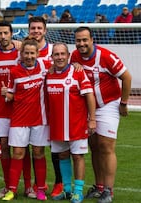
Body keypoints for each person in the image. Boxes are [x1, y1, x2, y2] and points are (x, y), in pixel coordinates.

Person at [70, 26, 132, 203]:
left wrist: (124, 103)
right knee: (94, 145)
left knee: (105, 145)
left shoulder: (105, 56)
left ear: (92, 40)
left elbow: (127, 77)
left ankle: (109, 190)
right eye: (78, 40)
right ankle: (98, 187)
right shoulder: (74, 56)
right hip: (87, 106)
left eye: (84, 40)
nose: (81, 44)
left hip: (108, 104)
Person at [0, 21, 34, 199]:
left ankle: (28, 186)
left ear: (11, 33)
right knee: (4, 147)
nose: (3, 36)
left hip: (21, 108)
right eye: (0, 33)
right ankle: (8, 186)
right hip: (0, 110)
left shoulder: (21, 53)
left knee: (24, 148)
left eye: (6, 33)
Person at [46, 42, 96, 203]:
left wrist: (92, 119)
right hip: (57, 125)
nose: (60, 57)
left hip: (77, 124)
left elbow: (89, 96)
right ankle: (67, 190)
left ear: (68, 56)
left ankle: (78, 191)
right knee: (62, 156)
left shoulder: (78, 73)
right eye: (56, 54)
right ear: (52, 57)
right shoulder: (49, 74)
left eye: (62, 54)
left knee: (78, 157)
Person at [0, 39, 50, 201]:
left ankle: (40, 189)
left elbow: (62, 60)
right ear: (21, 55)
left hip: (39, 119)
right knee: (18, 153)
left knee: (38, 153)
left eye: (32, 53)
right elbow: (12, 95)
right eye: (26, 53)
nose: (29, 56)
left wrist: (76, 64)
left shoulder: (45, 67)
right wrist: (5, 94)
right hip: (19, 118)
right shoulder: (14, 72)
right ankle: (12, 190)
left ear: (38, 54)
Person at [28, 16, 65, 198]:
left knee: (57, 148)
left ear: (45, 31)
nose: (36, 31)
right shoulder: (26, 51)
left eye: (39, 28)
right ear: (29, 31)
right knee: (38, 148)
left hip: (55, 108)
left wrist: (76, 64)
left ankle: (60, 182)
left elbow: (67, 66)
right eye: (33, 28)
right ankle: (38, 183)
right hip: (35, 109)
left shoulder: (53, 51)